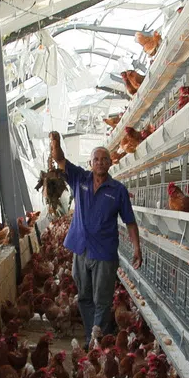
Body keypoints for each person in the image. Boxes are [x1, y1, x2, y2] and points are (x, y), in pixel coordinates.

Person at [48, 131, 142, 339]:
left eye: (104, 159)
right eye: (96, 159)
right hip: (81, 248)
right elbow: (60, 159)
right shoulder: (79, 179)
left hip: (104, 252)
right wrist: (55, 142)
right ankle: (95, 334)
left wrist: (137, 248)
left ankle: (93, 341)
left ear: (110, 163)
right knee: (84, 298)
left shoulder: (118, 190)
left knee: (102, 300)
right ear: (90, 163)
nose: (100, 163)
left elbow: (130, 222)